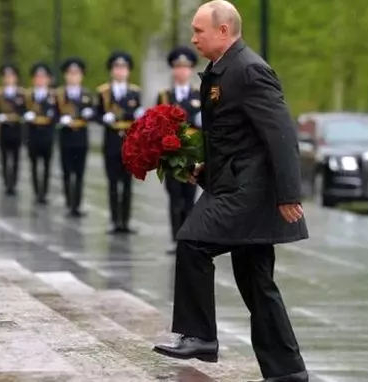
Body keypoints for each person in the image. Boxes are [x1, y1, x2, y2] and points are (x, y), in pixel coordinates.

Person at [152, 2, 309, 382]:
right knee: (257, 282)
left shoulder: (249, 69)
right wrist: (205, 170)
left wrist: (289, 194)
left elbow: (281, 135)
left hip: (248, 193)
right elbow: (236, 137)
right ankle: (287, 371)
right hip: (233, 184)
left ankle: (201, 337)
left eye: (199, 31)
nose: (193, 38)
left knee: (192, 242)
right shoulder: (223, 69)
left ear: (223, 31)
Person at [157, 46, 202, 253]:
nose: (182, 71)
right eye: (178, 67)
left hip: (191, 153)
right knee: (174, 197)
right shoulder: (165, 96)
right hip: (172, 154)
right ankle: (177, 238)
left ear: (191, 70)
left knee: (190, 196)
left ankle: (189, 237)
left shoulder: (199, 96)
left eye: (185, 67)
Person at [96, 51, 144, 234]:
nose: (120, 71)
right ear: (111, 71)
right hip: (111, 141)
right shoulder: (104, 92)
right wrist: (104, 118)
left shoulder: (135, 92)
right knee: (113, 183)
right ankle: (115, 220)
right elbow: (96, 114)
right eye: (117, 67)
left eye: (123, 68)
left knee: (128, 184)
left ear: (128, 71)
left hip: (130, 143)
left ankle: (125, 221)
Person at [54, 57, 95, 217]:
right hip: (66, 136)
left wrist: (89, 114)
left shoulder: (86, 94)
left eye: (76, 73)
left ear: (81, 76)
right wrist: (60, 120)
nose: (73, 76)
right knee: (66, 171)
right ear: (66, 76)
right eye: (70, 73)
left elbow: (93, 112)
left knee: (79, 172)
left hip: (81, 136)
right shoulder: (59, 94)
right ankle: (68, 202)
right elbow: (54, 115)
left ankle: (77, 204)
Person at [24, 62, 57, 205]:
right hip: (33, 133)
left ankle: (44, 192)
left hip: (47, 134)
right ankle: (37, 191)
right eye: (38, 77)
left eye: (43, 77)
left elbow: (58, 113)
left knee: (47, 164)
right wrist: (26, 115)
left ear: (48, 79)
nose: (40, 80)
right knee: (34, 164)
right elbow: (20, 109)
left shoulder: (54, 96)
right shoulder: (28, 96)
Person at [0, 64, 26, 196]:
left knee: (16, 158)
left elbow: (24, 110)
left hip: (16, 128)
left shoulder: (21, 94)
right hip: (4, 129)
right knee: (4, 157)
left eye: (11, 76)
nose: (9, 79)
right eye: (6, 76)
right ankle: (6, 182)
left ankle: (13, 183)